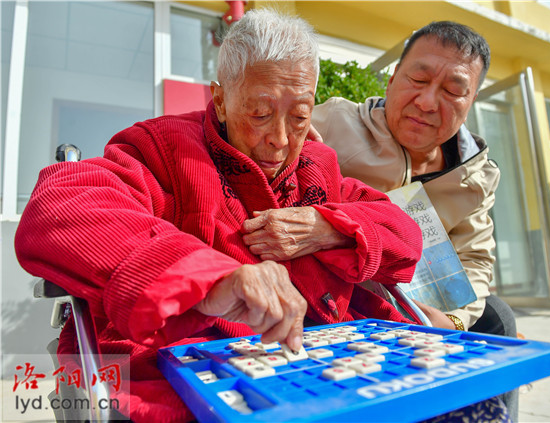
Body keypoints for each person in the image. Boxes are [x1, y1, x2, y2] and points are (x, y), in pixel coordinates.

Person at [15, 9, 424, 423]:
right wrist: (211, 278)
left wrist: (327, 228)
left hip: (328, 359)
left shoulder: (317, 165)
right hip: (201, 369)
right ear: (222, 100)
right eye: (260, 114)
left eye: (300, 117)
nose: (281, 140)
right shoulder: (164, 148)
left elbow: (401, 230)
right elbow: (64, 203)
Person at [311, 21, 518, 420]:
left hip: (422, 304)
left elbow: (475, 259)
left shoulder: (475, 176)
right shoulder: (332, 124)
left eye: (453, 91)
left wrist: (453, 319)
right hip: (343, 293)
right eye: (418, 79)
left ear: (470, 101)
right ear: (391, 80)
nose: (426, 102)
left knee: (497, 318)